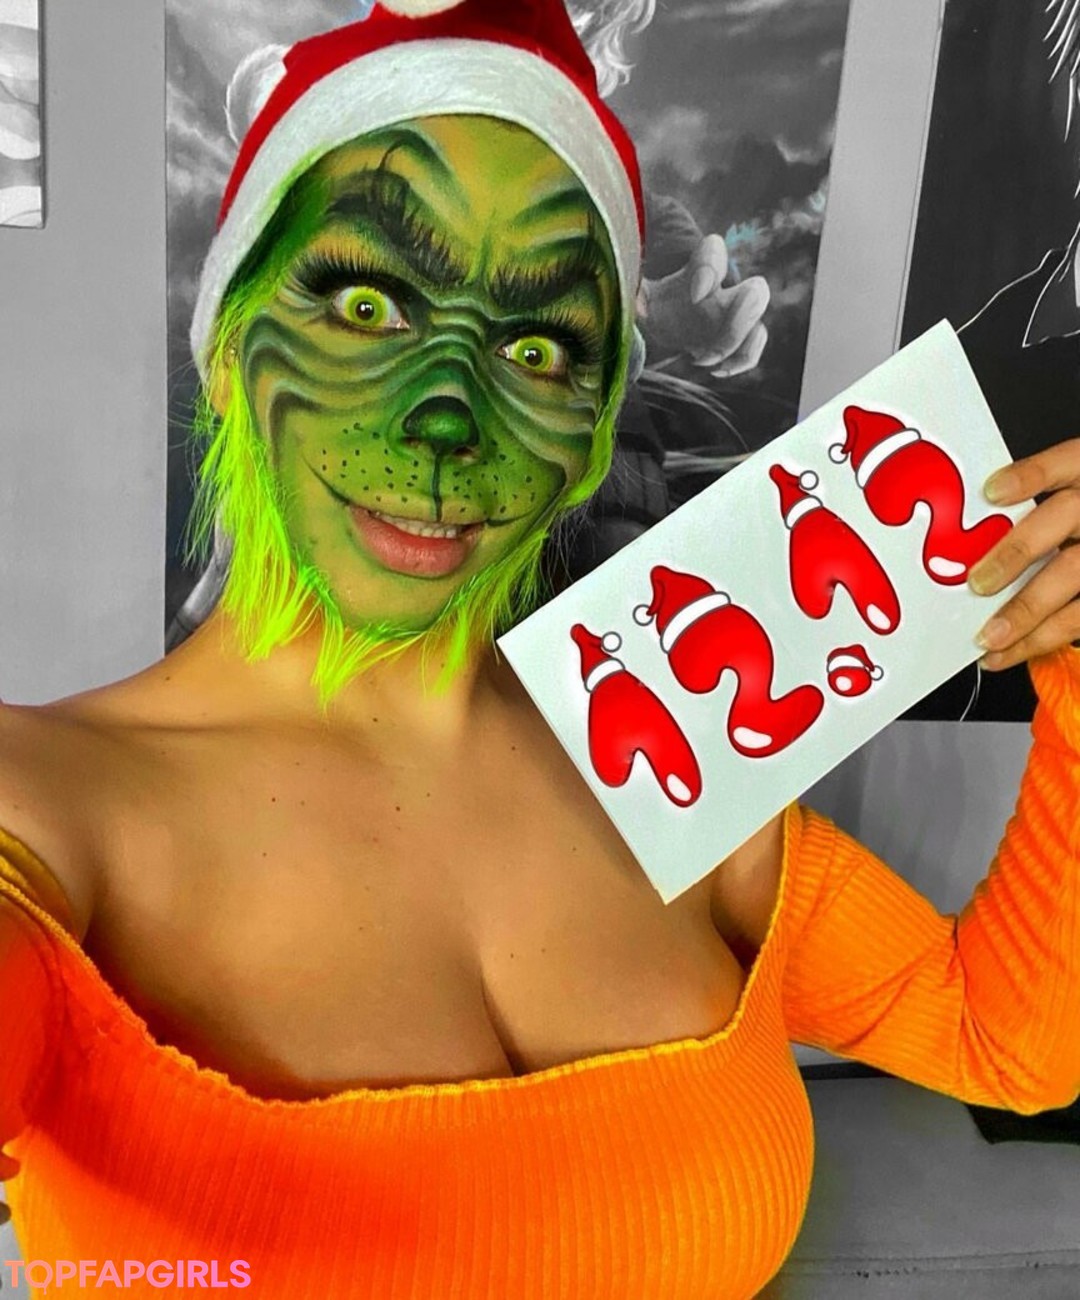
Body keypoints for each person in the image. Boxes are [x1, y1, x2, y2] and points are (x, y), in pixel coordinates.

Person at [1, 3, 1079, 1296]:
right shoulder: (42, 809)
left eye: (536, 345)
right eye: (367, 302)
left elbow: (1004, 1042)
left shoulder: (670, 729)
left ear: (592, 429)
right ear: (228, 346)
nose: (448, 416)